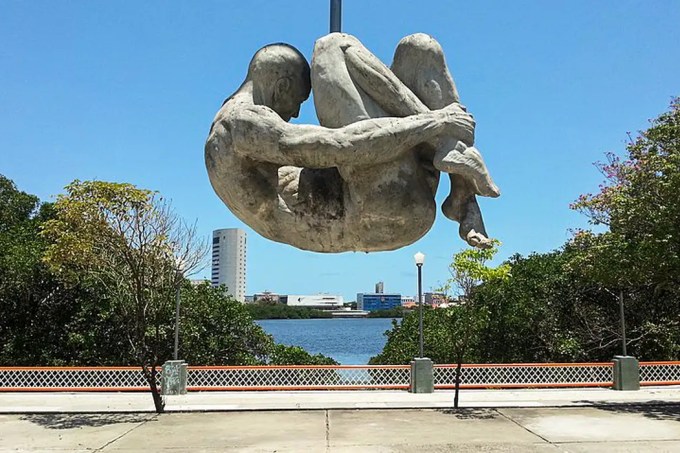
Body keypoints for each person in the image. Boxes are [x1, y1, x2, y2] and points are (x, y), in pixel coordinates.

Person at [205, 41, 483, 252]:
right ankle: (452, 147)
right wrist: (438, 121)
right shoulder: (240, 125)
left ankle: (462, 194)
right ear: (281, 86)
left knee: (419, 48)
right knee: (332, 45)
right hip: (371, 211)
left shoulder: (237, 125)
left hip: (388, 196)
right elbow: (343, 145)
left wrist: (436, 123)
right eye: (300, 100)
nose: (296, 113)